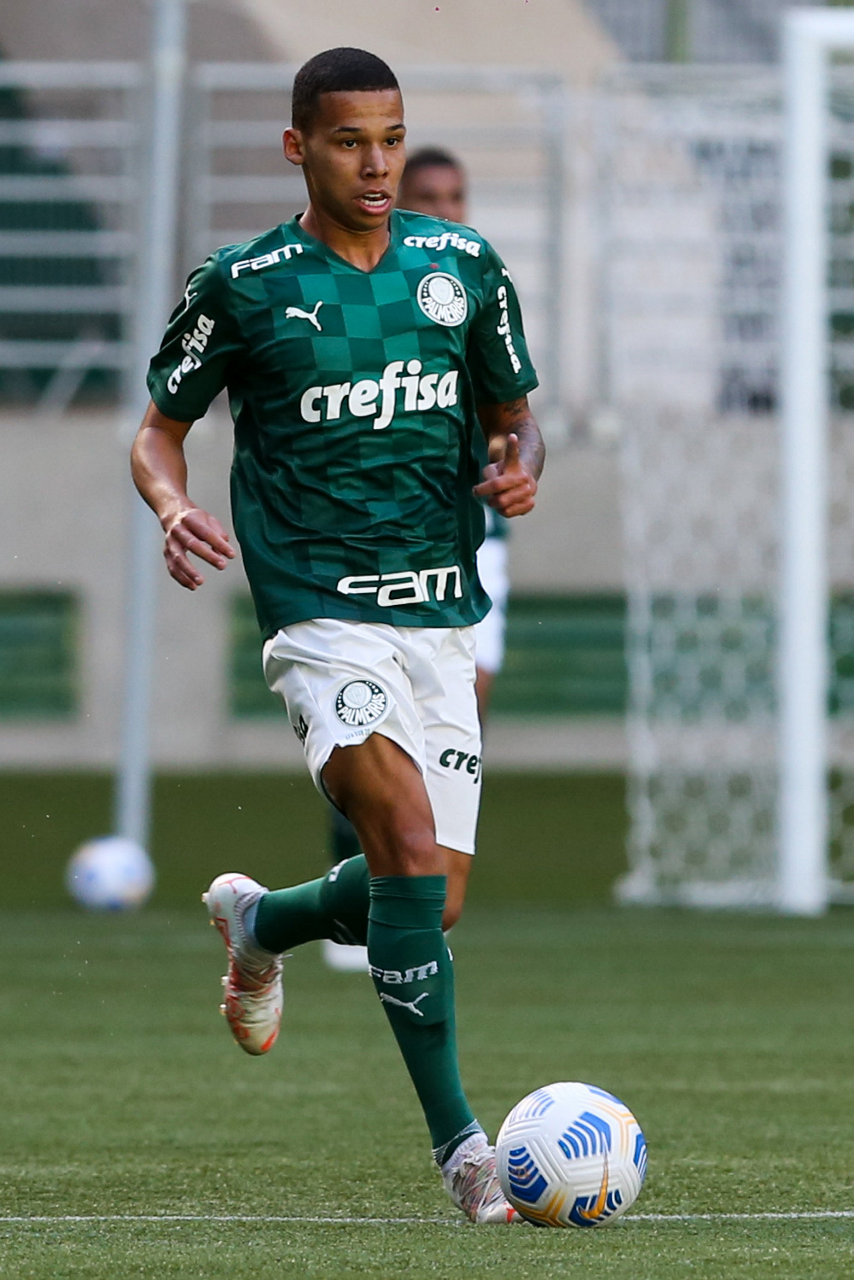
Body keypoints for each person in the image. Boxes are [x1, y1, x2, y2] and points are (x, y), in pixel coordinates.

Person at [131, 47, 544, 1225]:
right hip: (319, 610)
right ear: (297, 147)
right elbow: (157, 429)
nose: (376, 164)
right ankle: (464, 1151)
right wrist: (170, 504)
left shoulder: (461, 268)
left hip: (438, 613)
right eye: (349, 141)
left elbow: (516, 419)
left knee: (431, 896)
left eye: (390, 140)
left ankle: (263, 921)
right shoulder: (245, 284)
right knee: (404, 842)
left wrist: (518, 467)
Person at [323, 145, 511, 972]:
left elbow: (512, 417)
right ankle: (370, 881)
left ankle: (397, 891)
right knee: (373, 723)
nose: (444, 207)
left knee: (463, 707)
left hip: (473, 542)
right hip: (368, 550)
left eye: (455, 195)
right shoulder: (374, 291)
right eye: (428, 194)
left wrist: (515, 465)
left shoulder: (474, 287)